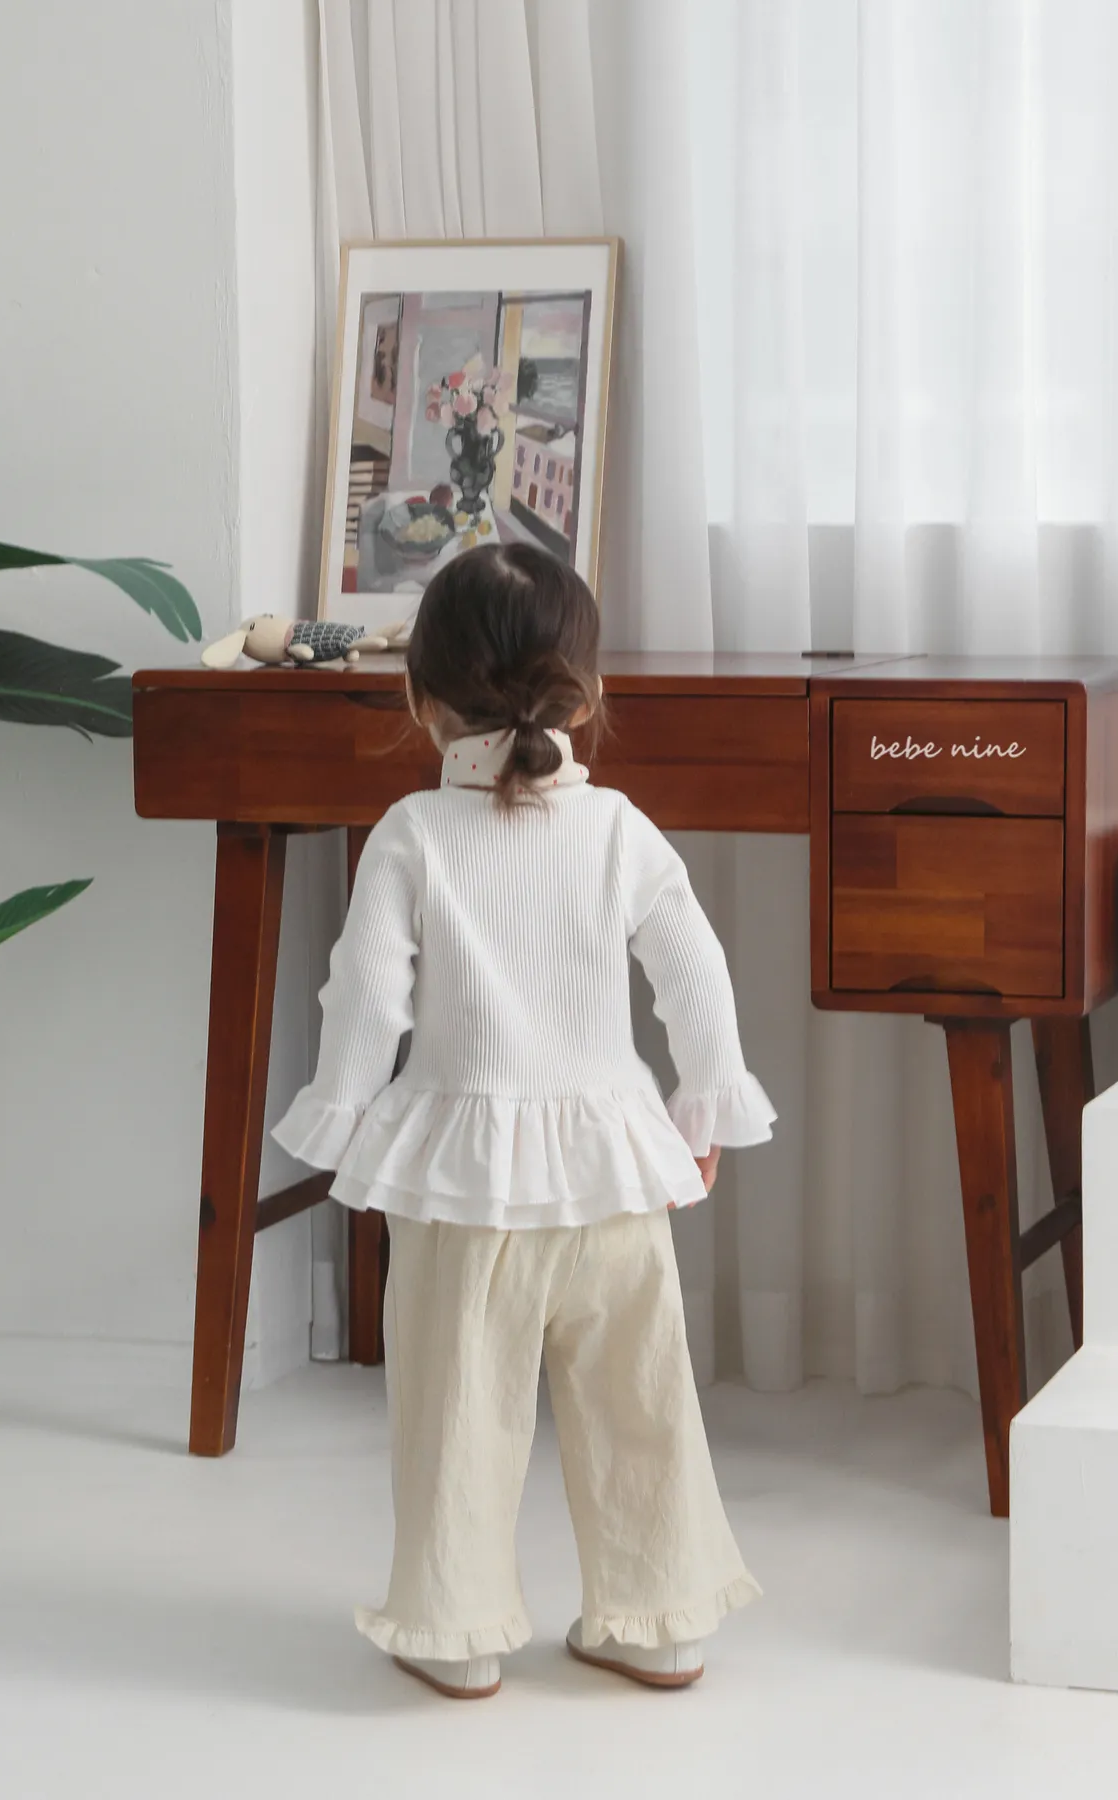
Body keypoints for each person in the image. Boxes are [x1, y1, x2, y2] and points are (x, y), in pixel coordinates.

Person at [273, 542, 776, 1700]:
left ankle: (454, 1634)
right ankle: (659, 1625)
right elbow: (696, 975)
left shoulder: (411, 832)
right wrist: (704, 1106)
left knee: (455, 1412)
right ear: (586, 695)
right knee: (642, 1401)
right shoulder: (619, 828)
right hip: (613, 1171)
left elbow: (367, 997)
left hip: (458, 1182)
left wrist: (341, 1118)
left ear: (419, 697)